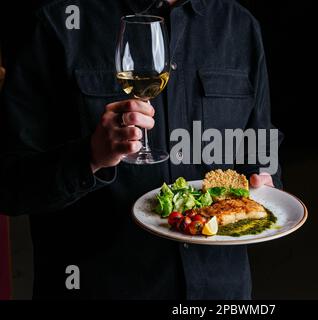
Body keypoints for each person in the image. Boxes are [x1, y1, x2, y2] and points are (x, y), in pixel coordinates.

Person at [0, 0, 281, 299]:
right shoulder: (57, 23)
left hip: (220, 291)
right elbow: (9, 185)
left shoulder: (239, 24)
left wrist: (263, 179)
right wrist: (90, 157)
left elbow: (260, 146)